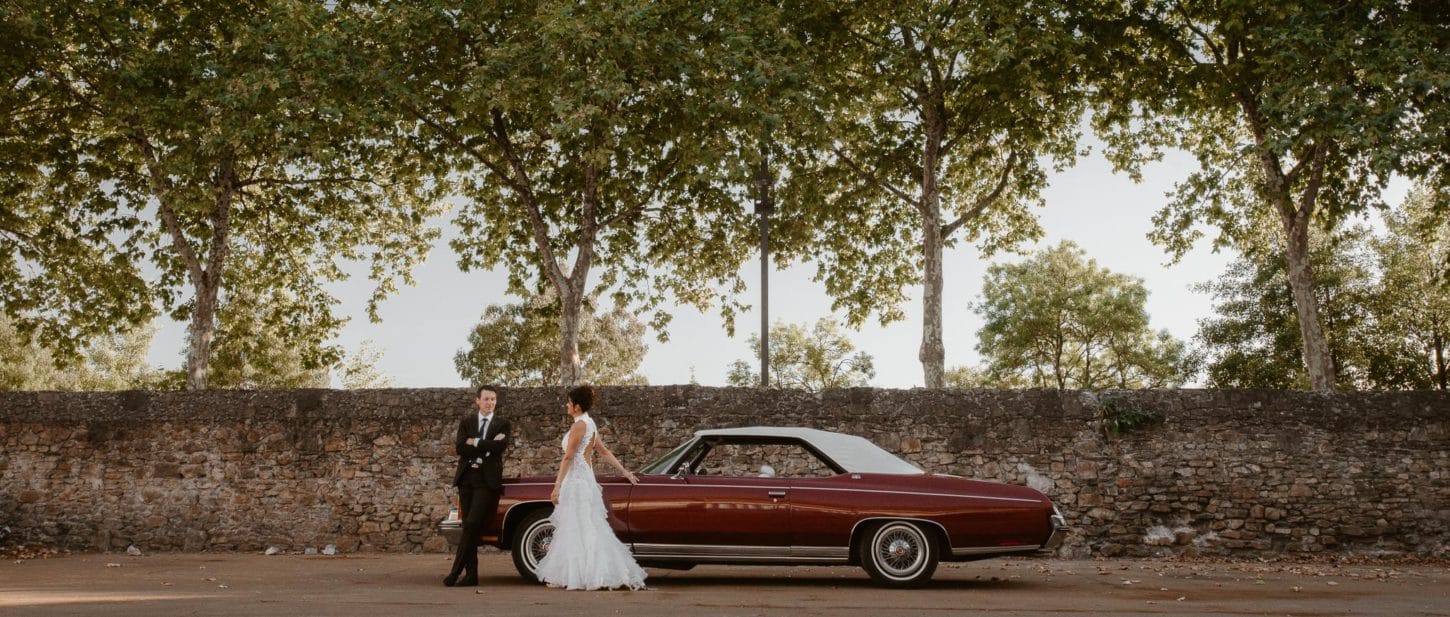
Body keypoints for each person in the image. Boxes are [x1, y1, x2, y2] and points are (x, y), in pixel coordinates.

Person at [534, 384, 647, 590]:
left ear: (576, 406)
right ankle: (583, 573)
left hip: (576, 481)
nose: (566, 405)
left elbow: (568, 456)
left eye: (569, 402)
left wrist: (556, 486)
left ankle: (580, 575)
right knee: (586, 526)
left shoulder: (579, 426)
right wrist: (624, 471)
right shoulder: (590, 423)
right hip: (584, 479)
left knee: (576, 526)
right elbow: (603, 451)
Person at [444, 385, 510, 587]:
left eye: (493, 400)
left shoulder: (502, 424)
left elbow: (499, 448)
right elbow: (461, 447)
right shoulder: (467, 422)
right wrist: (485, 444)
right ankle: (471, 575)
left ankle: (454, 573)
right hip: (466, 479)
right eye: (486, 399)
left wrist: (476, 442)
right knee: (468, 527)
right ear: (477, 401)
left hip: (487, 481)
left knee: (472, 524)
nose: (490, 403)